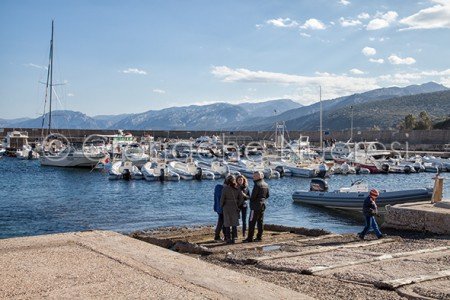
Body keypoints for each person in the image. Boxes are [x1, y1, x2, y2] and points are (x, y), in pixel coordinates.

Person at [244, 171, 270, 243]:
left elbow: (253, 197)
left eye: (255, 176)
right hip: (262, 205)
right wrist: (262, 199)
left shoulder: (257, 185)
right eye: (253, 176)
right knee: (260, 222)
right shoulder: (266, 184)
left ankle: (249, 238)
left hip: (255, 206)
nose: (253, 177)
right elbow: (267, 195)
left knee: (251, 222)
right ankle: (259, 237)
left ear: (260, 177)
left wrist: (245, 196)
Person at [220, 175, 243, 244]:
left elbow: (222, 199)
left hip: (226, 207)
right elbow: (241, 199)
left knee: (227, 223)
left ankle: (228, 238)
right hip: (235, 206)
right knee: (234, 222)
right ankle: (234, 237)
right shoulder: (238, 188)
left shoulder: (225, 188)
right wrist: (238, 205)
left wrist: (221, 206)